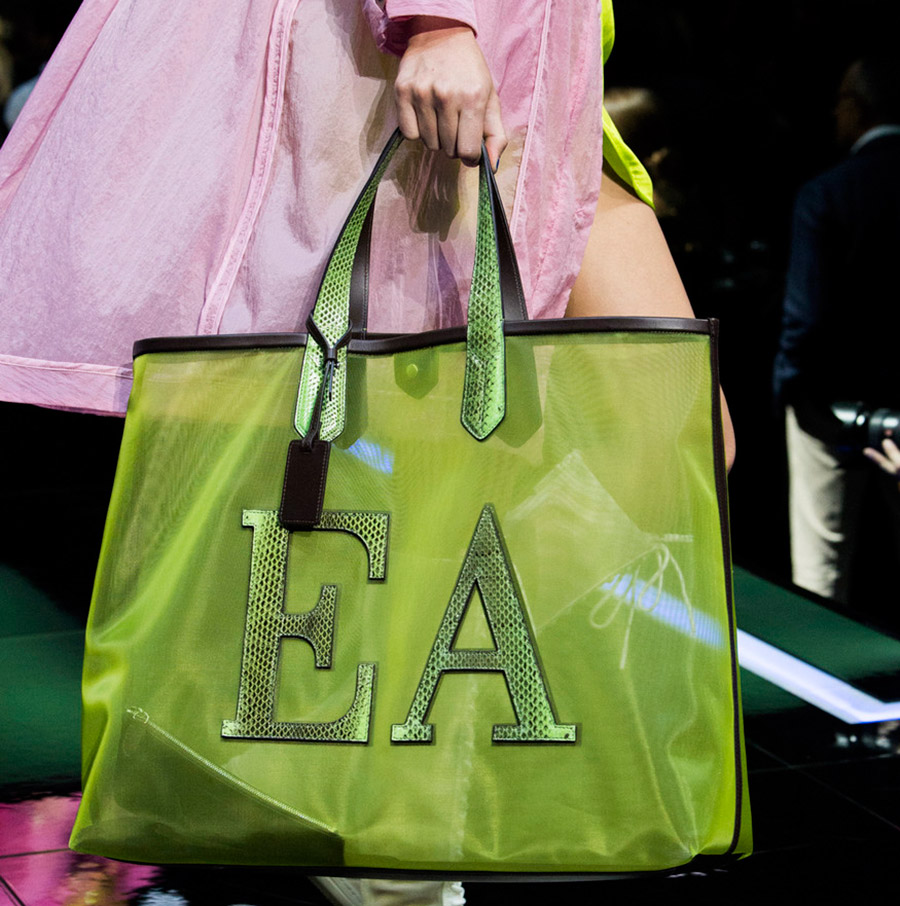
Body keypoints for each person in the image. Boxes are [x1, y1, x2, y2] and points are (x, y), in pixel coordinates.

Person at [0, 3, 732, 904]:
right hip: (434, 95)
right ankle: (388, 787)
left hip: (544, 107)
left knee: (681, 442)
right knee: (401, 443)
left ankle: (387, 733)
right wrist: (439, 20)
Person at [773, 56, 900, 604]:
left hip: (829, 400)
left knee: (819, 572)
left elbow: (806, 315)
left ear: (859, 107)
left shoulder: (826, 193)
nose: (833, 113)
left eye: (841, 101)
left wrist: (787, 388)